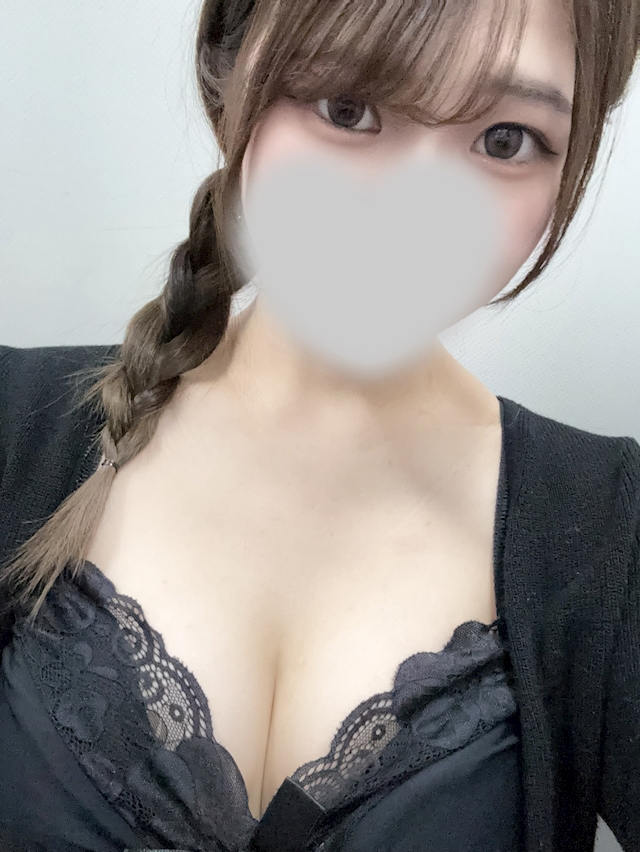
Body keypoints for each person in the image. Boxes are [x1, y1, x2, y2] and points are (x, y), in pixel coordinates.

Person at [0, 1, 639, 850]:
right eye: (348, 108)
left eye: (504, 139)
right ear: (230, 78)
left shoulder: (608, 531)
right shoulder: (14, 422)